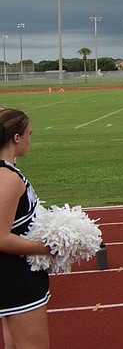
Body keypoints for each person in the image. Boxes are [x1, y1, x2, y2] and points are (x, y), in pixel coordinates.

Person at [1, 108, 52, 349]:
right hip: (17, 280)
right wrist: (48, 248)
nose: (30, 140)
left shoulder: (8, 172)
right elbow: (1, 238)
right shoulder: (7, 178)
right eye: (29, 134)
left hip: (15, 278)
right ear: (16, 138)